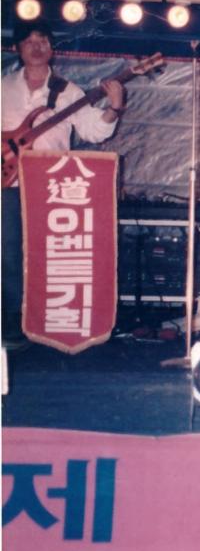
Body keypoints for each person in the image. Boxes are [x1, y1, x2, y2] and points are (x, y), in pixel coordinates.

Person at [1, 20, 124, 342]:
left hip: (50, 188)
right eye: (29, 41)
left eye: (43, 40)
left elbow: (94, 131)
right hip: (8, 186)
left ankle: (46, 320)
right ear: (17, 49)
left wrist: (114, 106)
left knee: (49, 254)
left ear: (52, 48)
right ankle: (13, 320)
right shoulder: (2, 88)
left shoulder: (67, 91)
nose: (37, 46)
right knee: (9, 252)